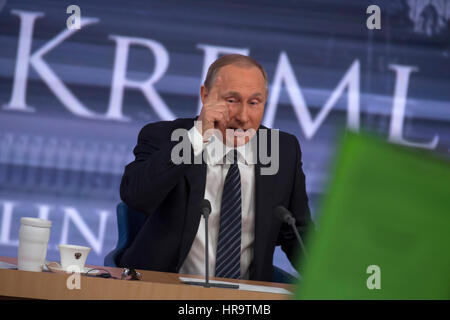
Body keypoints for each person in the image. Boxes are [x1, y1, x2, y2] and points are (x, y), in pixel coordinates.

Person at [119, 54, 314, 282]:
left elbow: (297, 233)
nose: (243, 117)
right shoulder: (164, 136)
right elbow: (136, 196)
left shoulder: (282, 150)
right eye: (232, 100)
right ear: (205, 95)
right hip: (163, 290)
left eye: (254, 103)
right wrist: (196, 137)